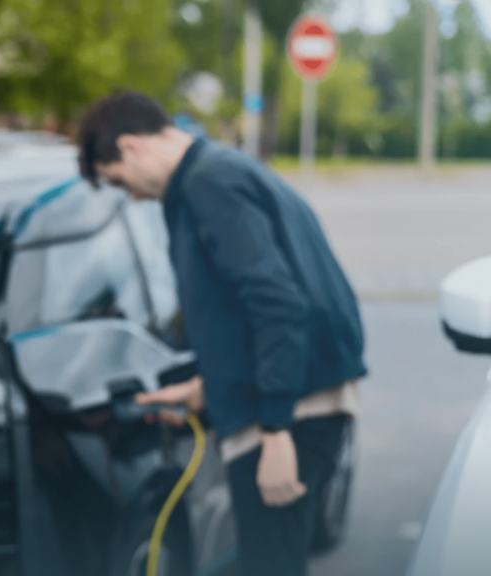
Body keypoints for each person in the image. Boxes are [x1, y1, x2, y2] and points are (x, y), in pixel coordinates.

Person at [77, 91, 366, 576]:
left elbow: (277, 302)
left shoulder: (208, 184)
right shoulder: (223, 169)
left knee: (271, 565)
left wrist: (276, 430)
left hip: (291, 415)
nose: (133, 196)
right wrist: (207, 385)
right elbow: (244, 308)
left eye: (119, 181)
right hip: (299, 400)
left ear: (130, 146)